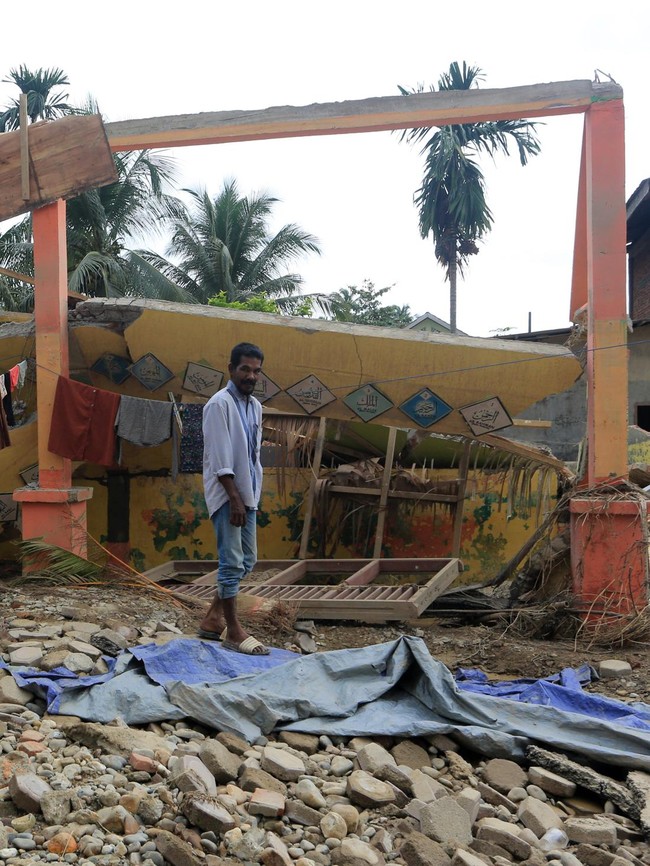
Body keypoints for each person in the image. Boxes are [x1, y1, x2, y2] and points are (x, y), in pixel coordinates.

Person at [198, 342, 269, 655]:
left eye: (256, 371)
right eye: (245, 369)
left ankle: (213, 618)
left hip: (247, 494)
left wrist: (249, 496)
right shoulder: (219, 404)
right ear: (231, 369)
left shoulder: (255, 407)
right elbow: (219, 456)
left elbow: (251, 455)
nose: (251, 376)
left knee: (247, 561)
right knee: (231, 562)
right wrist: (234, 498)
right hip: (228, 495)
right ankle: (234, 630)